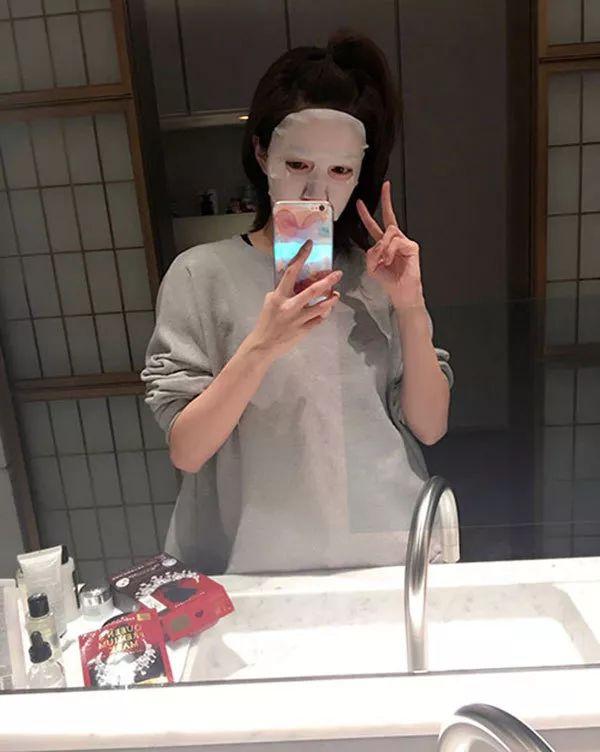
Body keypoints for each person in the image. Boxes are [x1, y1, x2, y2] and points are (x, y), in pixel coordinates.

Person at [142, 32, 453, 574]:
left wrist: (409, 305)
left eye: (340, 171)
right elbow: (187, 451)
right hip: (256, 566)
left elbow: (430, 426)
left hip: (388, 552)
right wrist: (262, 345)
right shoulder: (201, 274)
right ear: (262, 152)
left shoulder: (378, 273)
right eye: (299, 163)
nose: (316, 192)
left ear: (359, 172)